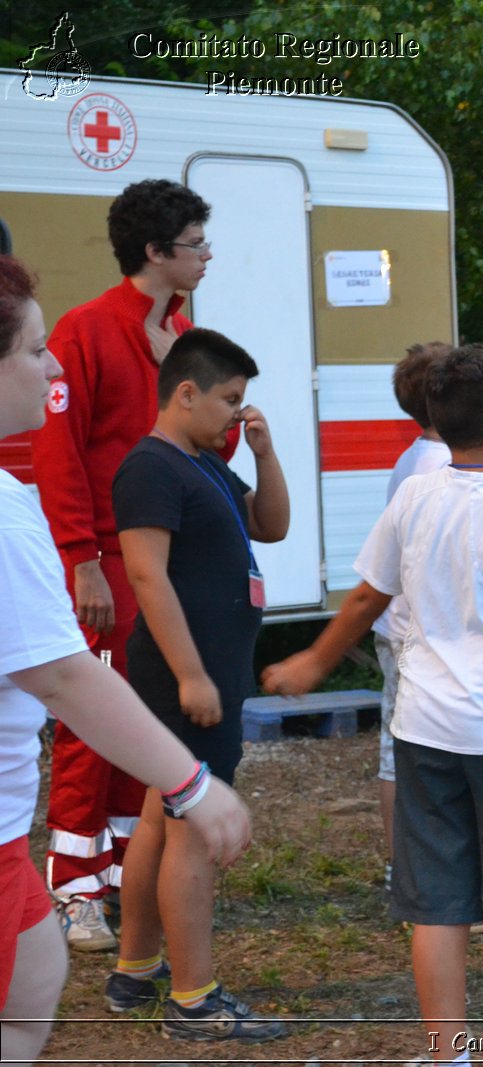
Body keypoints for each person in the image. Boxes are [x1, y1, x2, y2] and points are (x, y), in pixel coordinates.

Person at [263, 346, 483, 1064]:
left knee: (438, 902)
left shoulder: (414, 494)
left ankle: (448, 1055)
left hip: (423, 727)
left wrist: (314, 660)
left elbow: (367, 594)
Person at [0, 254, 251, 1066]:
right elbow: (65, 674)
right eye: (36, 350)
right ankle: (185, 991)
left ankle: (142, 966)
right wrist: (190, 779)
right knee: (36, 964)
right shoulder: (15, 507)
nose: (54, 366)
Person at [32, 178, 234, 952]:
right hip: (111, 561)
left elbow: (209, 445)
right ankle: (73, 885)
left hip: (172, 564)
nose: (206, 256)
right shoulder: (84, 331)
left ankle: (121, 869)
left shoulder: (185, 336)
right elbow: (59, 454)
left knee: (145, 719)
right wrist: (80, 558)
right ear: (155, 252)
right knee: (93, 722)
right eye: (195, 244)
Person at [107, 328, 289, 1041]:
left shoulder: (204, 463)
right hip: (186, 675)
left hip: (210, 670)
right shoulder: (151, 468)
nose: (236, 416)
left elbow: (269, 526)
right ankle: (194, 998)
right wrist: (190, 673)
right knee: (191, 829)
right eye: (229, 400)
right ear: (186, 392)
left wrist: (266, 455)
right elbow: (146, 573)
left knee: (163, 812)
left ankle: (137, 967)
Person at [372, 341, 454, 894]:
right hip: (421, 632)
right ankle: (414, 871)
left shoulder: (413, 457)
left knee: (394, 748)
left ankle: (403, 866)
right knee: (410, 753)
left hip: (400, 626)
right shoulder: (443, 465)